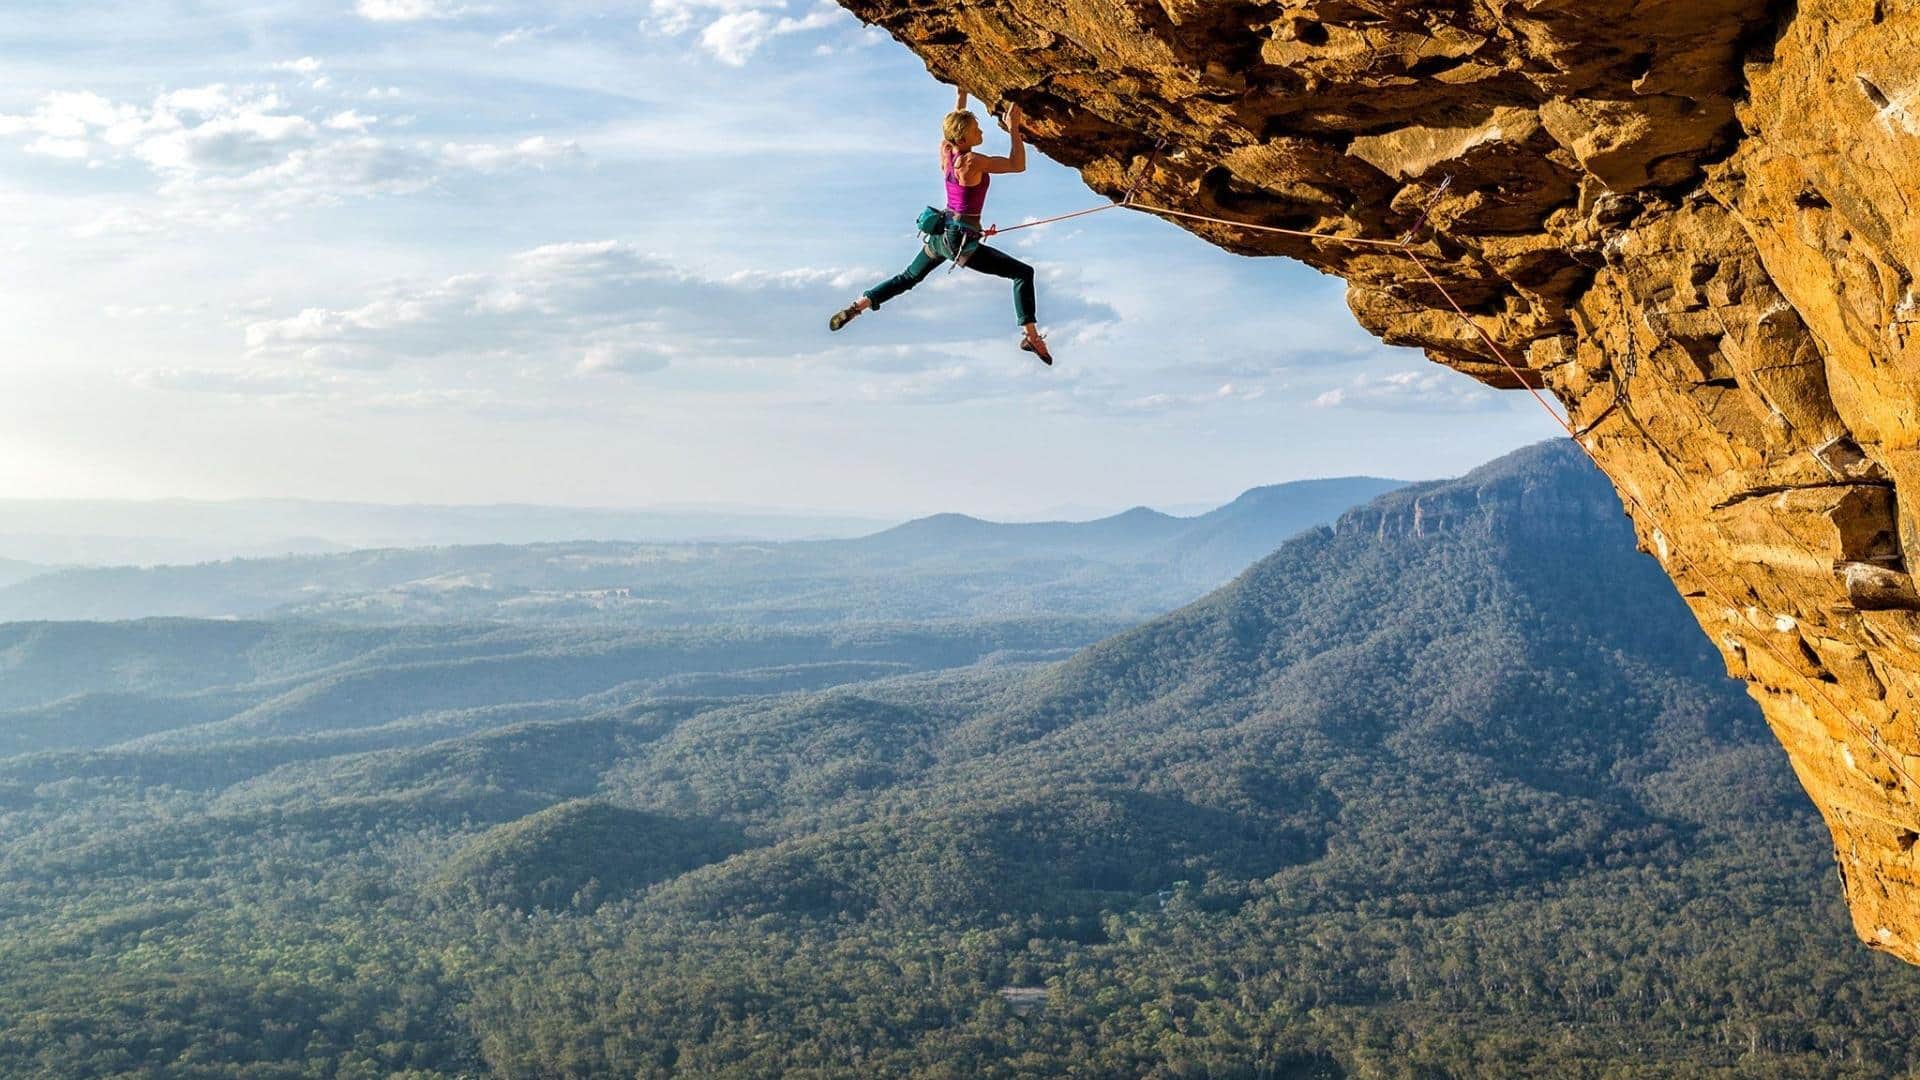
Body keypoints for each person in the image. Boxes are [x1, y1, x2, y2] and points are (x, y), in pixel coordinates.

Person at [828, 88, 1053, 365]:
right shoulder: (972, 161)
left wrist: (962, 95)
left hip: (942, 233)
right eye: (976, 130)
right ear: (962, 139)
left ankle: (857, 306)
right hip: (959, 240)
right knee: (1023, 273)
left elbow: (950, 128)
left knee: (907, 277)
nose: (981, 131)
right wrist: (1013, 128)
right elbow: (1017, 165)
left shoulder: (947, 152)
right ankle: (1031, 336)